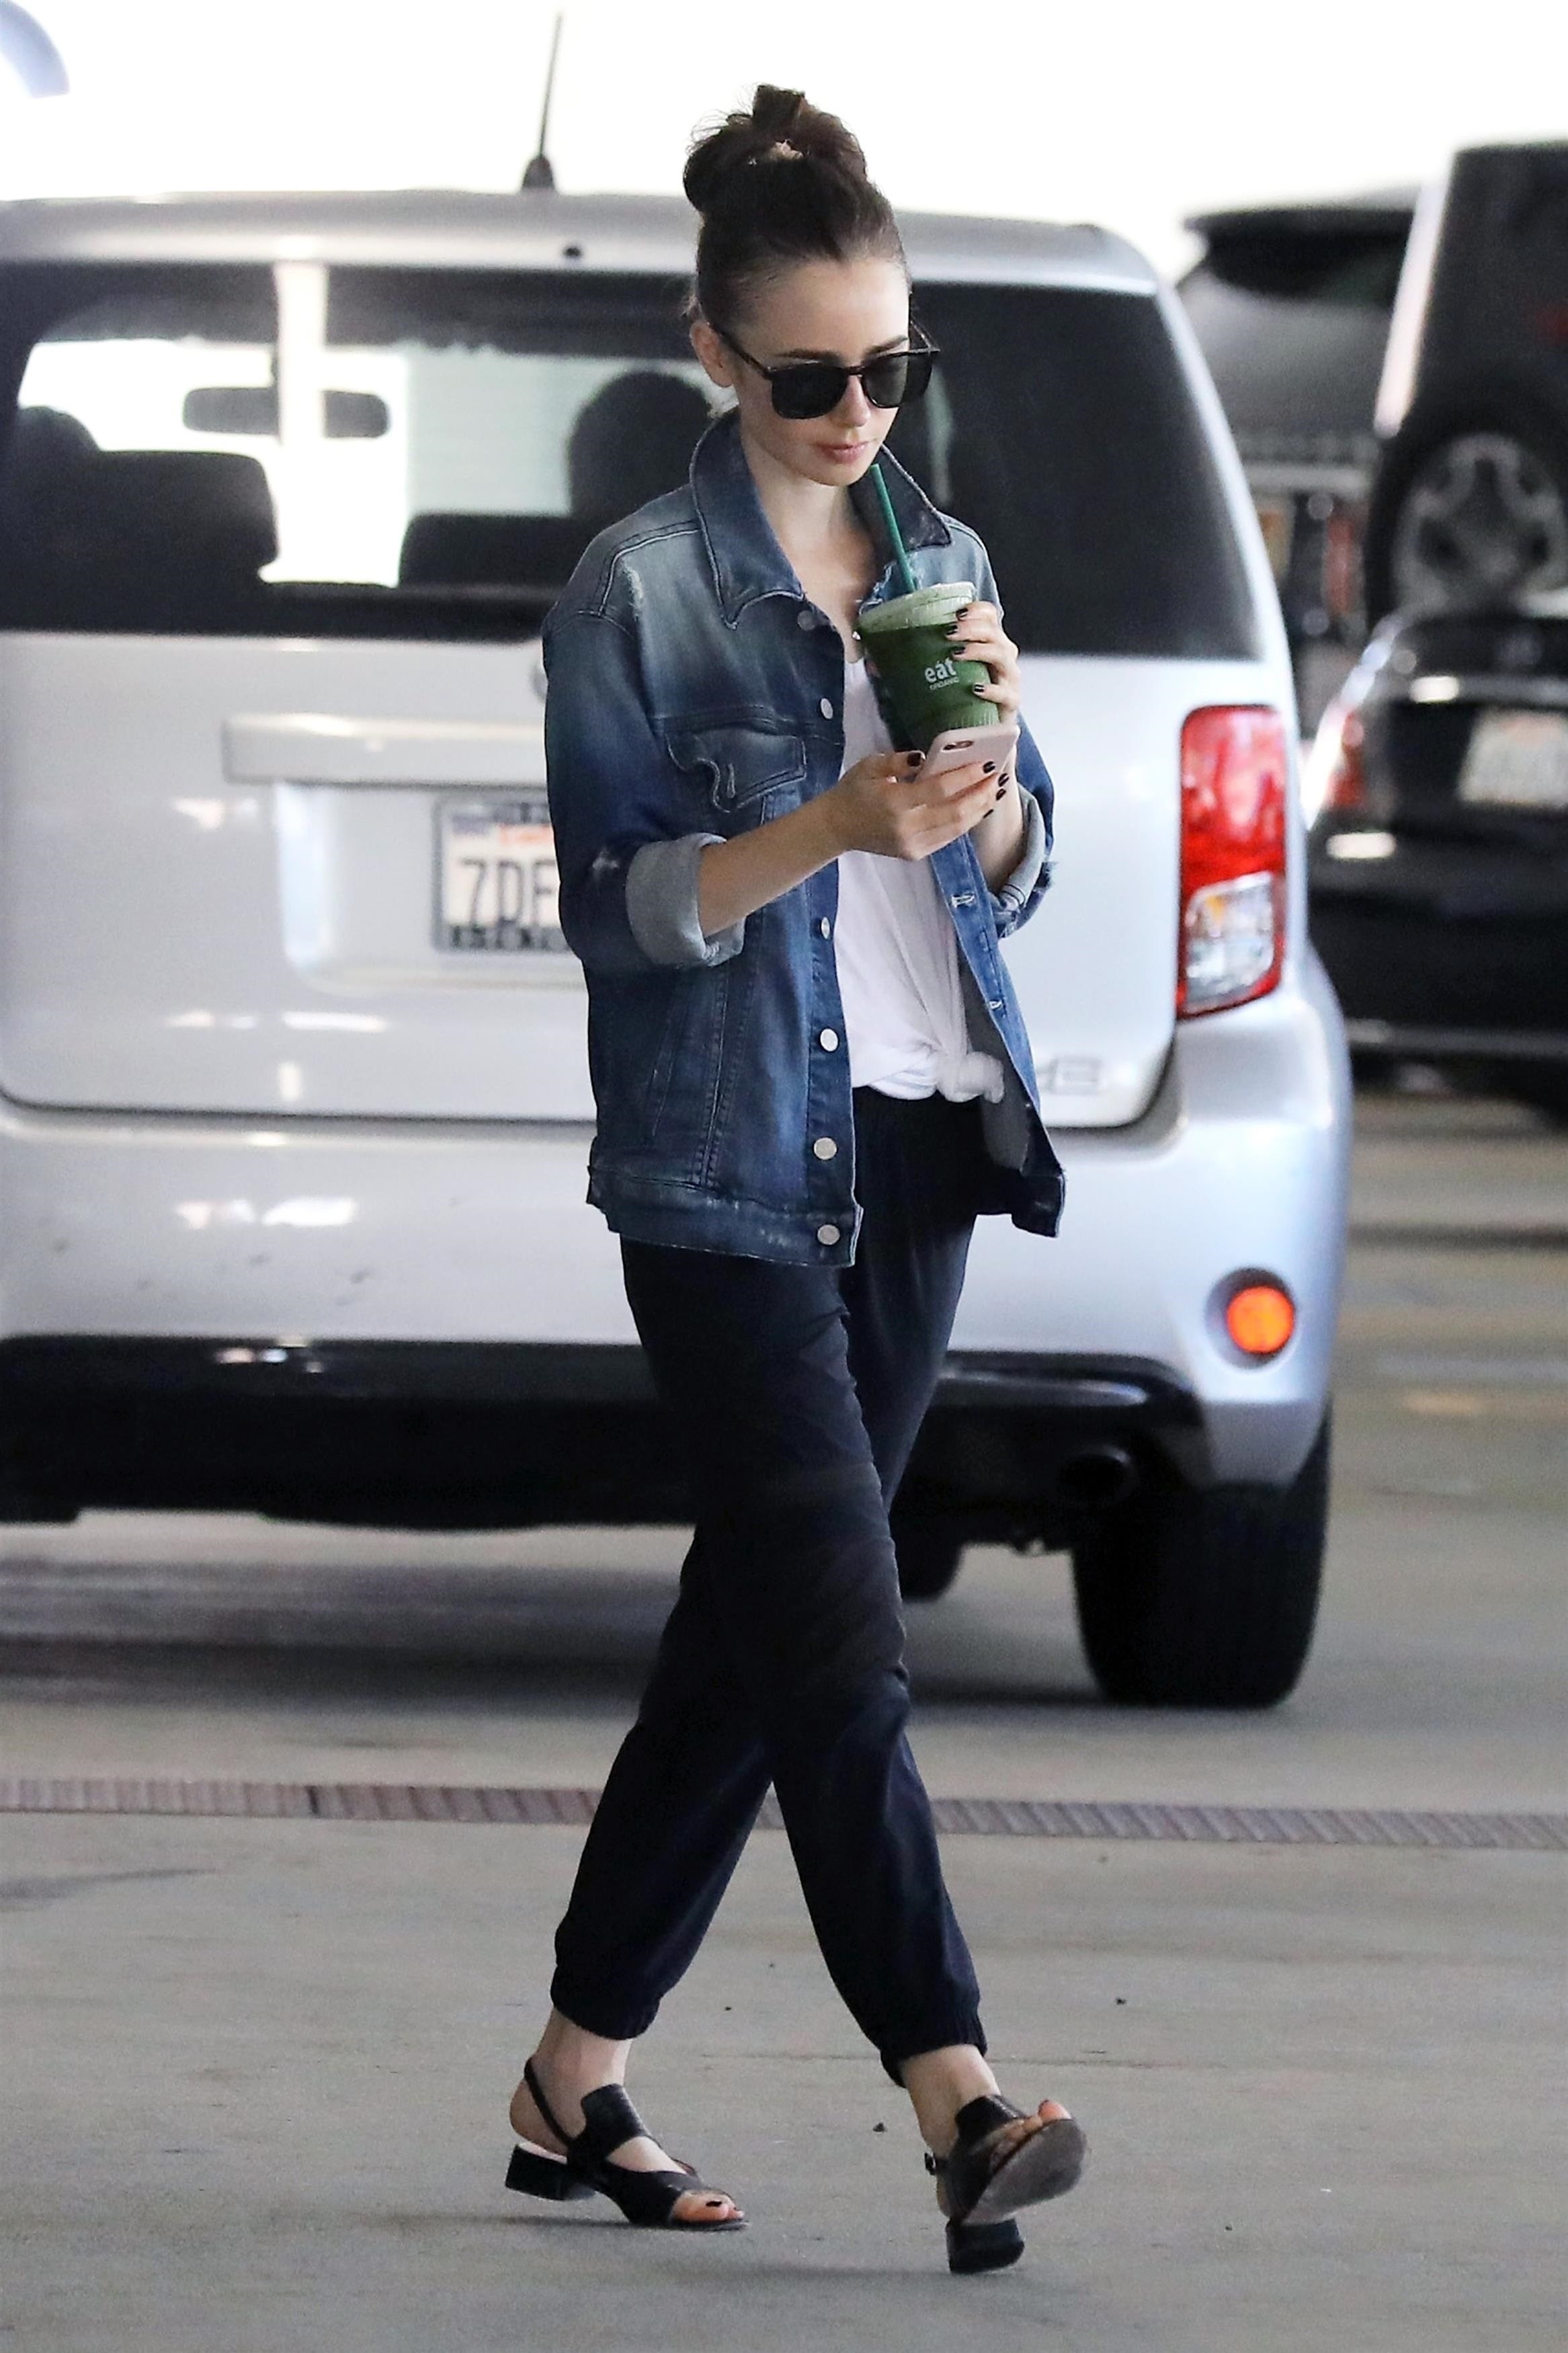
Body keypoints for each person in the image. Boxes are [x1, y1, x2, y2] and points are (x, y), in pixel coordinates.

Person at [505, 85, 1084, 2276]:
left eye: (891, 369)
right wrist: (829, 825)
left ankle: (574, 2073)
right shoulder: (639, 591)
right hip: (730, 1169)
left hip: (920, 1150)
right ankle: (960, 2094)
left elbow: (1015, 874)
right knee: (842, 1644)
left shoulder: (947, 563)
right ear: (715, 355)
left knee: (752, 1643)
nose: (857, 415)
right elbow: (617, 907)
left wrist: (994, 791)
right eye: (812, 377)